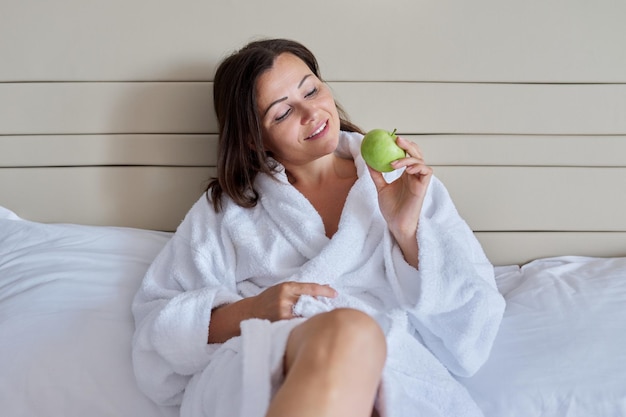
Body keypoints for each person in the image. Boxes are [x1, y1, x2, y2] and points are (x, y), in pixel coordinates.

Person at [131, 38, 506, 417]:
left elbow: (471, 329)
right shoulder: (228, 211)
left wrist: (406, 231)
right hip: (267, 360)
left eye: (311, 89)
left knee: (358, 340)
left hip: (389, 366)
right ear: (252, 138)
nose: (311, 112)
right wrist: (253, 309)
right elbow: (158, 330)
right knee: (348, 331)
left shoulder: (404, 181)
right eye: (282, 113)